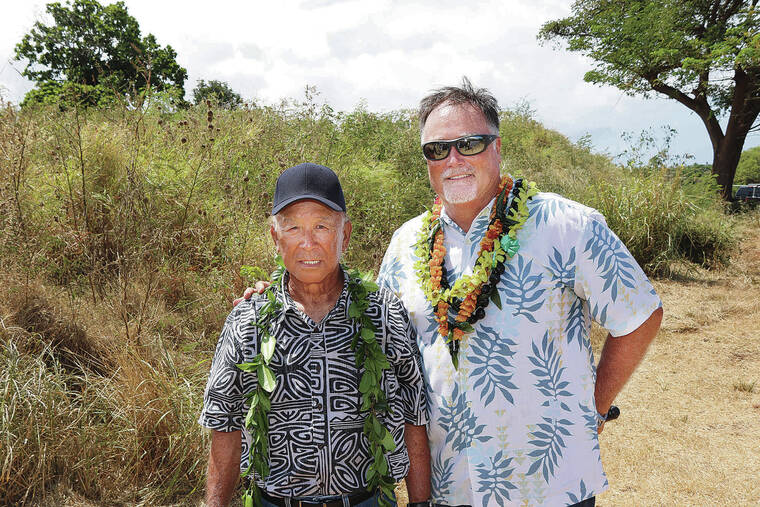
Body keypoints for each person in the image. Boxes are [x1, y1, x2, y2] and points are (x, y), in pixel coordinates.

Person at [238, 79, 663, 506]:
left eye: (470, 143)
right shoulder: (407, 243)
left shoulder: (565, 224)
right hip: (447, 483)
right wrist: (280, 291)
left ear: (497, 147)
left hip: (546, 482)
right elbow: (371, 328)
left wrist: (597, 405)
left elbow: (640, 314)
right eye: (437, 149)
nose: (453, 159)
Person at [200, 163, 431, 507]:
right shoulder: (247, 320)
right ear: (275, 238)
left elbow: (414, 416)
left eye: (322, 226)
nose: (308, 243)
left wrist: (420, 503)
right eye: (293, 228)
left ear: (345, 235)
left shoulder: (384, 314)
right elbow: (226, 425)